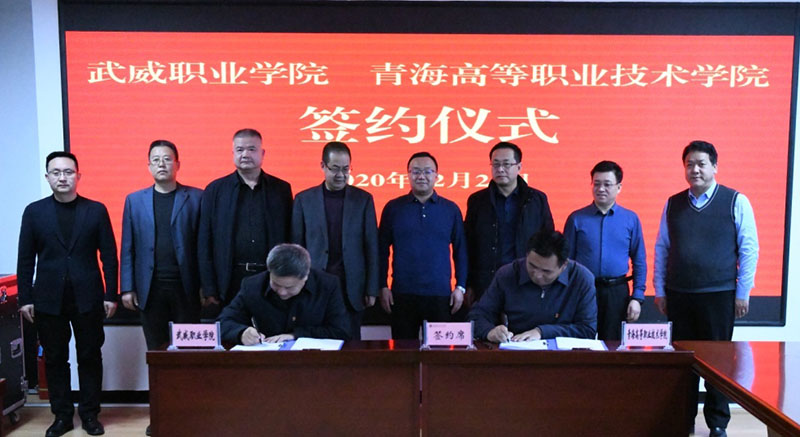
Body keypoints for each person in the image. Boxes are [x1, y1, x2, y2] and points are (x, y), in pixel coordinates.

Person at [654, 140, 759, 437]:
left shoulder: (735, 200)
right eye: (689, 164)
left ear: (714, 167)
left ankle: (717, 423)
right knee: (682, 361)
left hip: (719, 296)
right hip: (679, 295)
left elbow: (749, 249)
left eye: (701, 164)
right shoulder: (673, 204)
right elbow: (662, 248)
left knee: (718, 365)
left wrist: (743, 292)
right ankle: (683, 419)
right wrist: (659, 289)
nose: (695, 170)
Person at [17, 152, 118, 437]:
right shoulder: (34, 212)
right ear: (47, 177)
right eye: (56, 172)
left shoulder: (95, 210)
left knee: (90, 356)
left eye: (68, 172)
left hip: (88, 297)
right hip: (48, 299)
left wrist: (111, 294)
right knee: (55, 359)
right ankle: (62, 416)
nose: (63, 177)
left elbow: (109, 256)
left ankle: (90, 415)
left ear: (78, 176)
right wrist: (25, 298)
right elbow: (25, 259)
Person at [198, 128, 293, 318]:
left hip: (270, 279)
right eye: (240, 150)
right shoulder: (215, 190)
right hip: (229, 281)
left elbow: (290, 237)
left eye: (251, 149)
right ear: (233, 153)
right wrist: (209, 287)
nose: (245, 155)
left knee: (269, 333)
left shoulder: (281, 189)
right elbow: (204, 242)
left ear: (262, 153)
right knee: (232, 331)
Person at [120, 140, 203, 349]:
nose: (161, 164)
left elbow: (204, 246)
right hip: (150, 288)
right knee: (156, 349)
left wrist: (206, 286)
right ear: (149, 166)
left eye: (167, 159)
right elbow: (128, 248)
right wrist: (127, 288)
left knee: (188, 349)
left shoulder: (197, 198)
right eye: (156, 160)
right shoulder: (134, 201)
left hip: (186, 287)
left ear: (177, 164)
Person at [292, 141, 378, 340]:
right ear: (323, 166)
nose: (341, 175)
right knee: (315, 343)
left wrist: (372, 288)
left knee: (351, 344)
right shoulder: (304, 200)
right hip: (314, 286)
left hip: (351, 288)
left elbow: (371, 246)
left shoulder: (363, 199)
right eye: (335, 168)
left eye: (346, 169)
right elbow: (296, 247)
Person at [379, 151, 467, 339]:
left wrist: (460, 286)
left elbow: (461, 251)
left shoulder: (450, 209)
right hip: (402, 294)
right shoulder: (393, 208)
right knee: (403, 351)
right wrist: (382, 286)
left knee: (438, 352)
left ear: (436, 176)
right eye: (416, 171)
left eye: (427, 171)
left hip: (440, 295)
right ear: (408, 174)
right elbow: (381, 251)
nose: (421, 176)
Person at [563, 160, 646, 340]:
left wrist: (637, 297)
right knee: (580, 341)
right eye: (596, 184)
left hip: (616, 291)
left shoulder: (630, 219)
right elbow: (566, 262)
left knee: (613, 343)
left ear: (619, 187)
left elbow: (639, 261)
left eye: (607, 184)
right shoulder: (576, 219)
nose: (601, 189)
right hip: (584, 289)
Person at [464, 141, 554, 306]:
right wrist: (468, 283)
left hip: (526, 280)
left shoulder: (537, 200)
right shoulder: (477, 201)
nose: (500, 169)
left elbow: (548, 242)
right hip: (486, 281)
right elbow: (468, 245)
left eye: (506, 164)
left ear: (519, 167)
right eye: (495, 164)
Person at [469, 229, 597, 342]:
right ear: (526, 255)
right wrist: (489, 331)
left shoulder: (582, 279)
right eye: (532, 266)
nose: (537, 275)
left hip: (565, 357)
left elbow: (587, 330)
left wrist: (542, 332)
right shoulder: (508, 274)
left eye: (546, 271)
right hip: (516, 351)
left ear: (564, 266)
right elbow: (477, 315)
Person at [218, 244, 350, 344]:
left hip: (314, 362)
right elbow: (223, 322)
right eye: (275, 284)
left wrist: (295, 335)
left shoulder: (327, 285)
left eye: (289, 287)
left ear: (305, 277)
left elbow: (341, 331)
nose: (281, 292)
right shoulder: (252, 286)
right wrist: (241, 332)